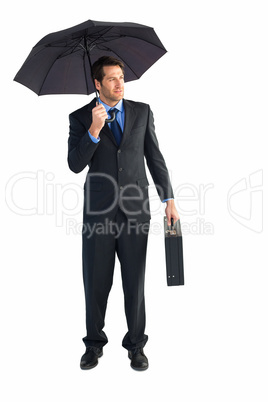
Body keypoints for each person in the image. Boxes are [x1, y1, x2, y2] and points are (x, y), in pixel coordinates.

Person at [68, 56, 179, 371]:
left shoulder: (141, 112)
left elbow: (154, 157)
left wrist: (168, 198)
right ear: (97, 84)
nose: (120, 83)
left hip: (135, 212)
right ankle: (93, 345)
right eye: (112, 79)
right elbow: (75, 164)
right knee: (95, 282)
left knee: (135, 282)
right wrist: (94, 129)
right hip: (98, 216)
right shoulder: (80, 118)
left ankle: (136, 346)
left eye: (121, 77)